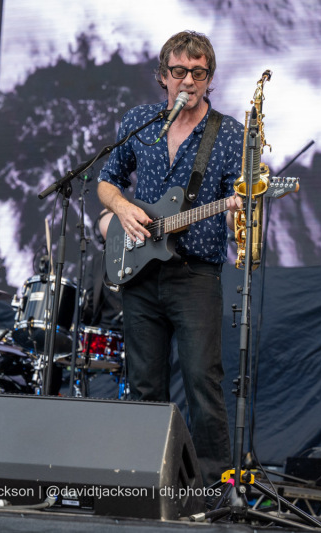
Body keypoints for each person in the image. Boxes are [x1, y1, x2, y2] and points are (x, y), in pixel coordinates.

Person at [97, 30, 244, 485]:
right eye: (179, 71)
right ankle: (146, 480)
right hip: (140, 272)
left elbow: (240, 205)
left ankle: (215, 486)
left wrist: (241, 213)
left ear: (209, 78)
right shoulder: (140, 122)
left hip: (195, 274)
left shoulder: (228, 134)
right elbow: (107, 181)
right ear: (163, 76)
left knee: (203, 381)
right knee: (144, 384)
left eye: (199, 73)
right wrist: (122, 207)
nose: (188, 81)